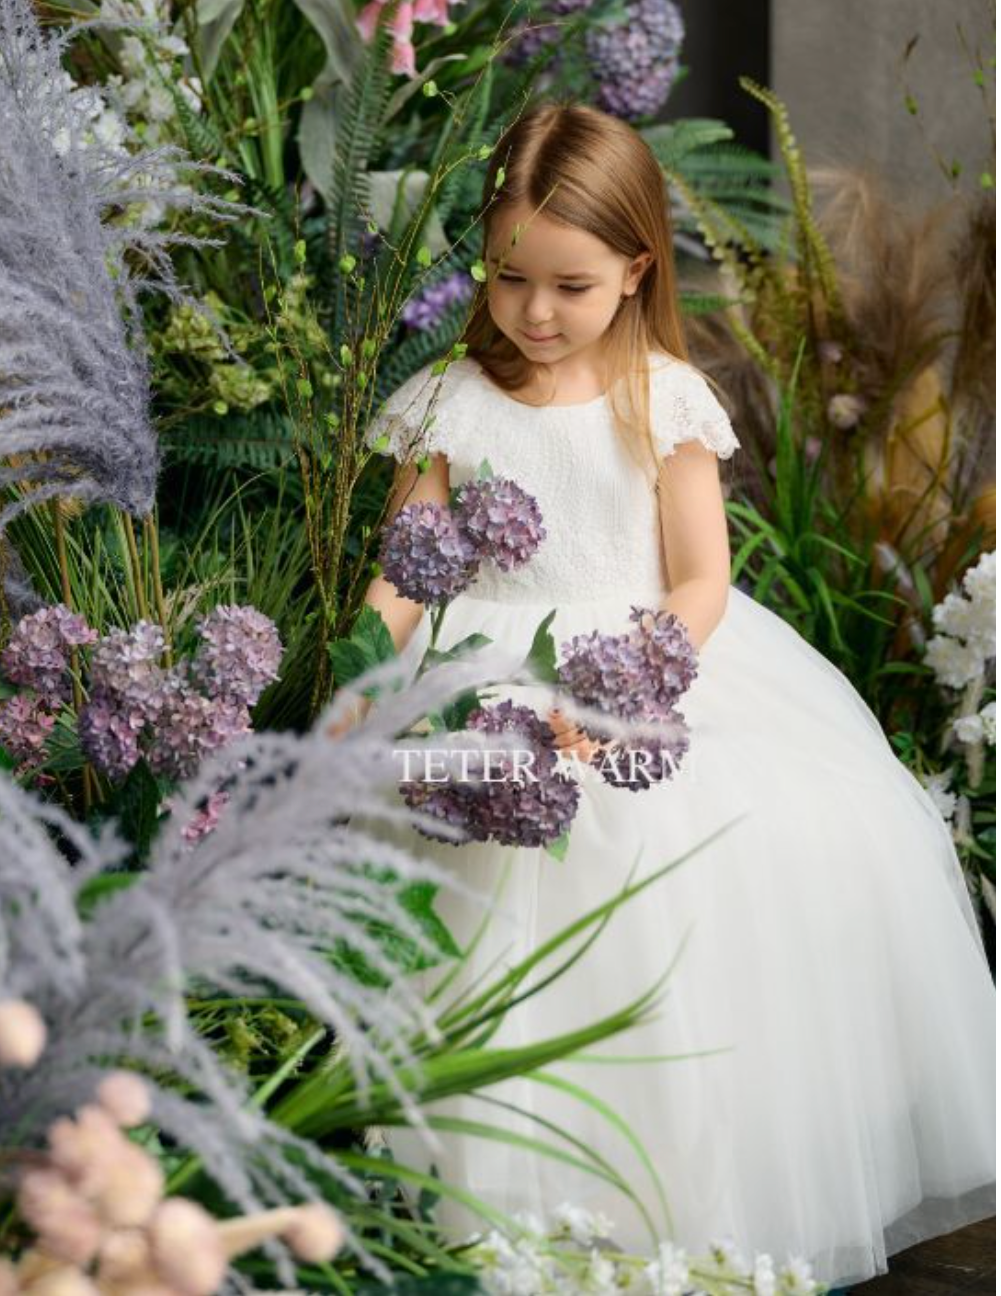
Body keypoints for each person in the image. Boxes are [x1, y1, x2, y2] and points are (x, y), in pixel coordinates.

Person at [334, 102, 996, 1290]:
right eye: (508, 278)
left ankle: (671, 1210)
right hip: (475, 671)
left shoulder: (661, 395)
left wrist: (620, 687)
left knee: (684, 864)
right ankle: (472, 1209)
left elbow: (700, 582)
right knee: (451, 889)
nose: (535, 313)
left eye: (571, 286)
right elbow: (408, 564)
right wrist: (363, 675)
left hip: (631, 666)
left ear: (637, 269)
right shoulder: (448, 399)